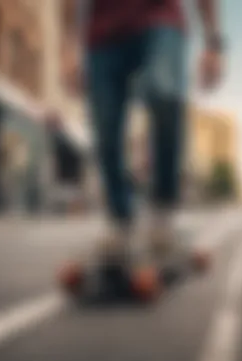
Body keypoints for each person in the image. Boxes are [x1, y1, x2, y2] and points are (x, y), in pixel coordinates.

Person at [61, 0, 225, 260]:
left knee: (164, 92)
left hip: (162, 19)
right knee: (105, 126)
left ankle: (162, 209)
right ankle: (120, 218)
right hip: (103, 32)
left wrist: (213, 43)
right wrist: (68, 47)